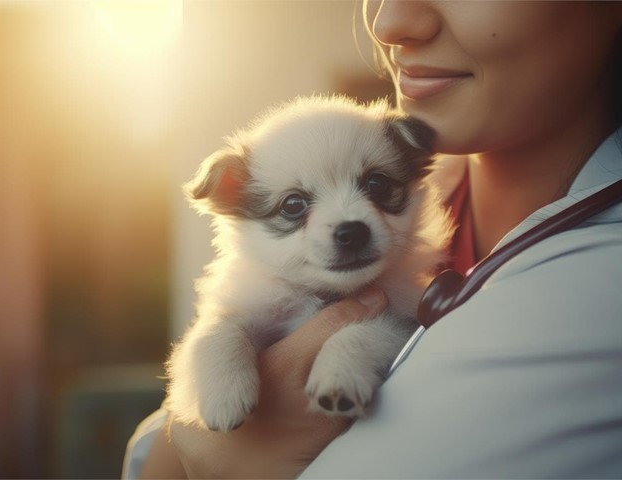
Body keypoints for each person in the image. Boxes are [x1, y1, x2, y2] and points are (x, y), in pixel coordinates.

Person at [123, 1, 622, 478]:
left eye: (377, 186)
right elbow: (165, 441)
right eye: (294, 207)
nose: (389, 21)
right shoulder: (423, 170)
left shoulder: (598, 293)